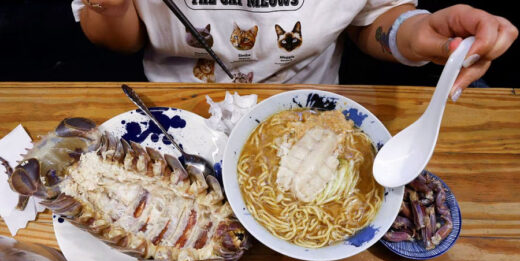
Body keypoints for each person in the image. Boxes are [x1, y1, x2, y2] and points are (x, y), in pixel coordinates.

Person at [72, 0, 517, 101]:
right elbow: (120, 37)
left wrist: (415, 33)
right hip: (175, 105)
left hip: (307, 104)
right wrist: (110, 8)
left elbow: (374, 18)